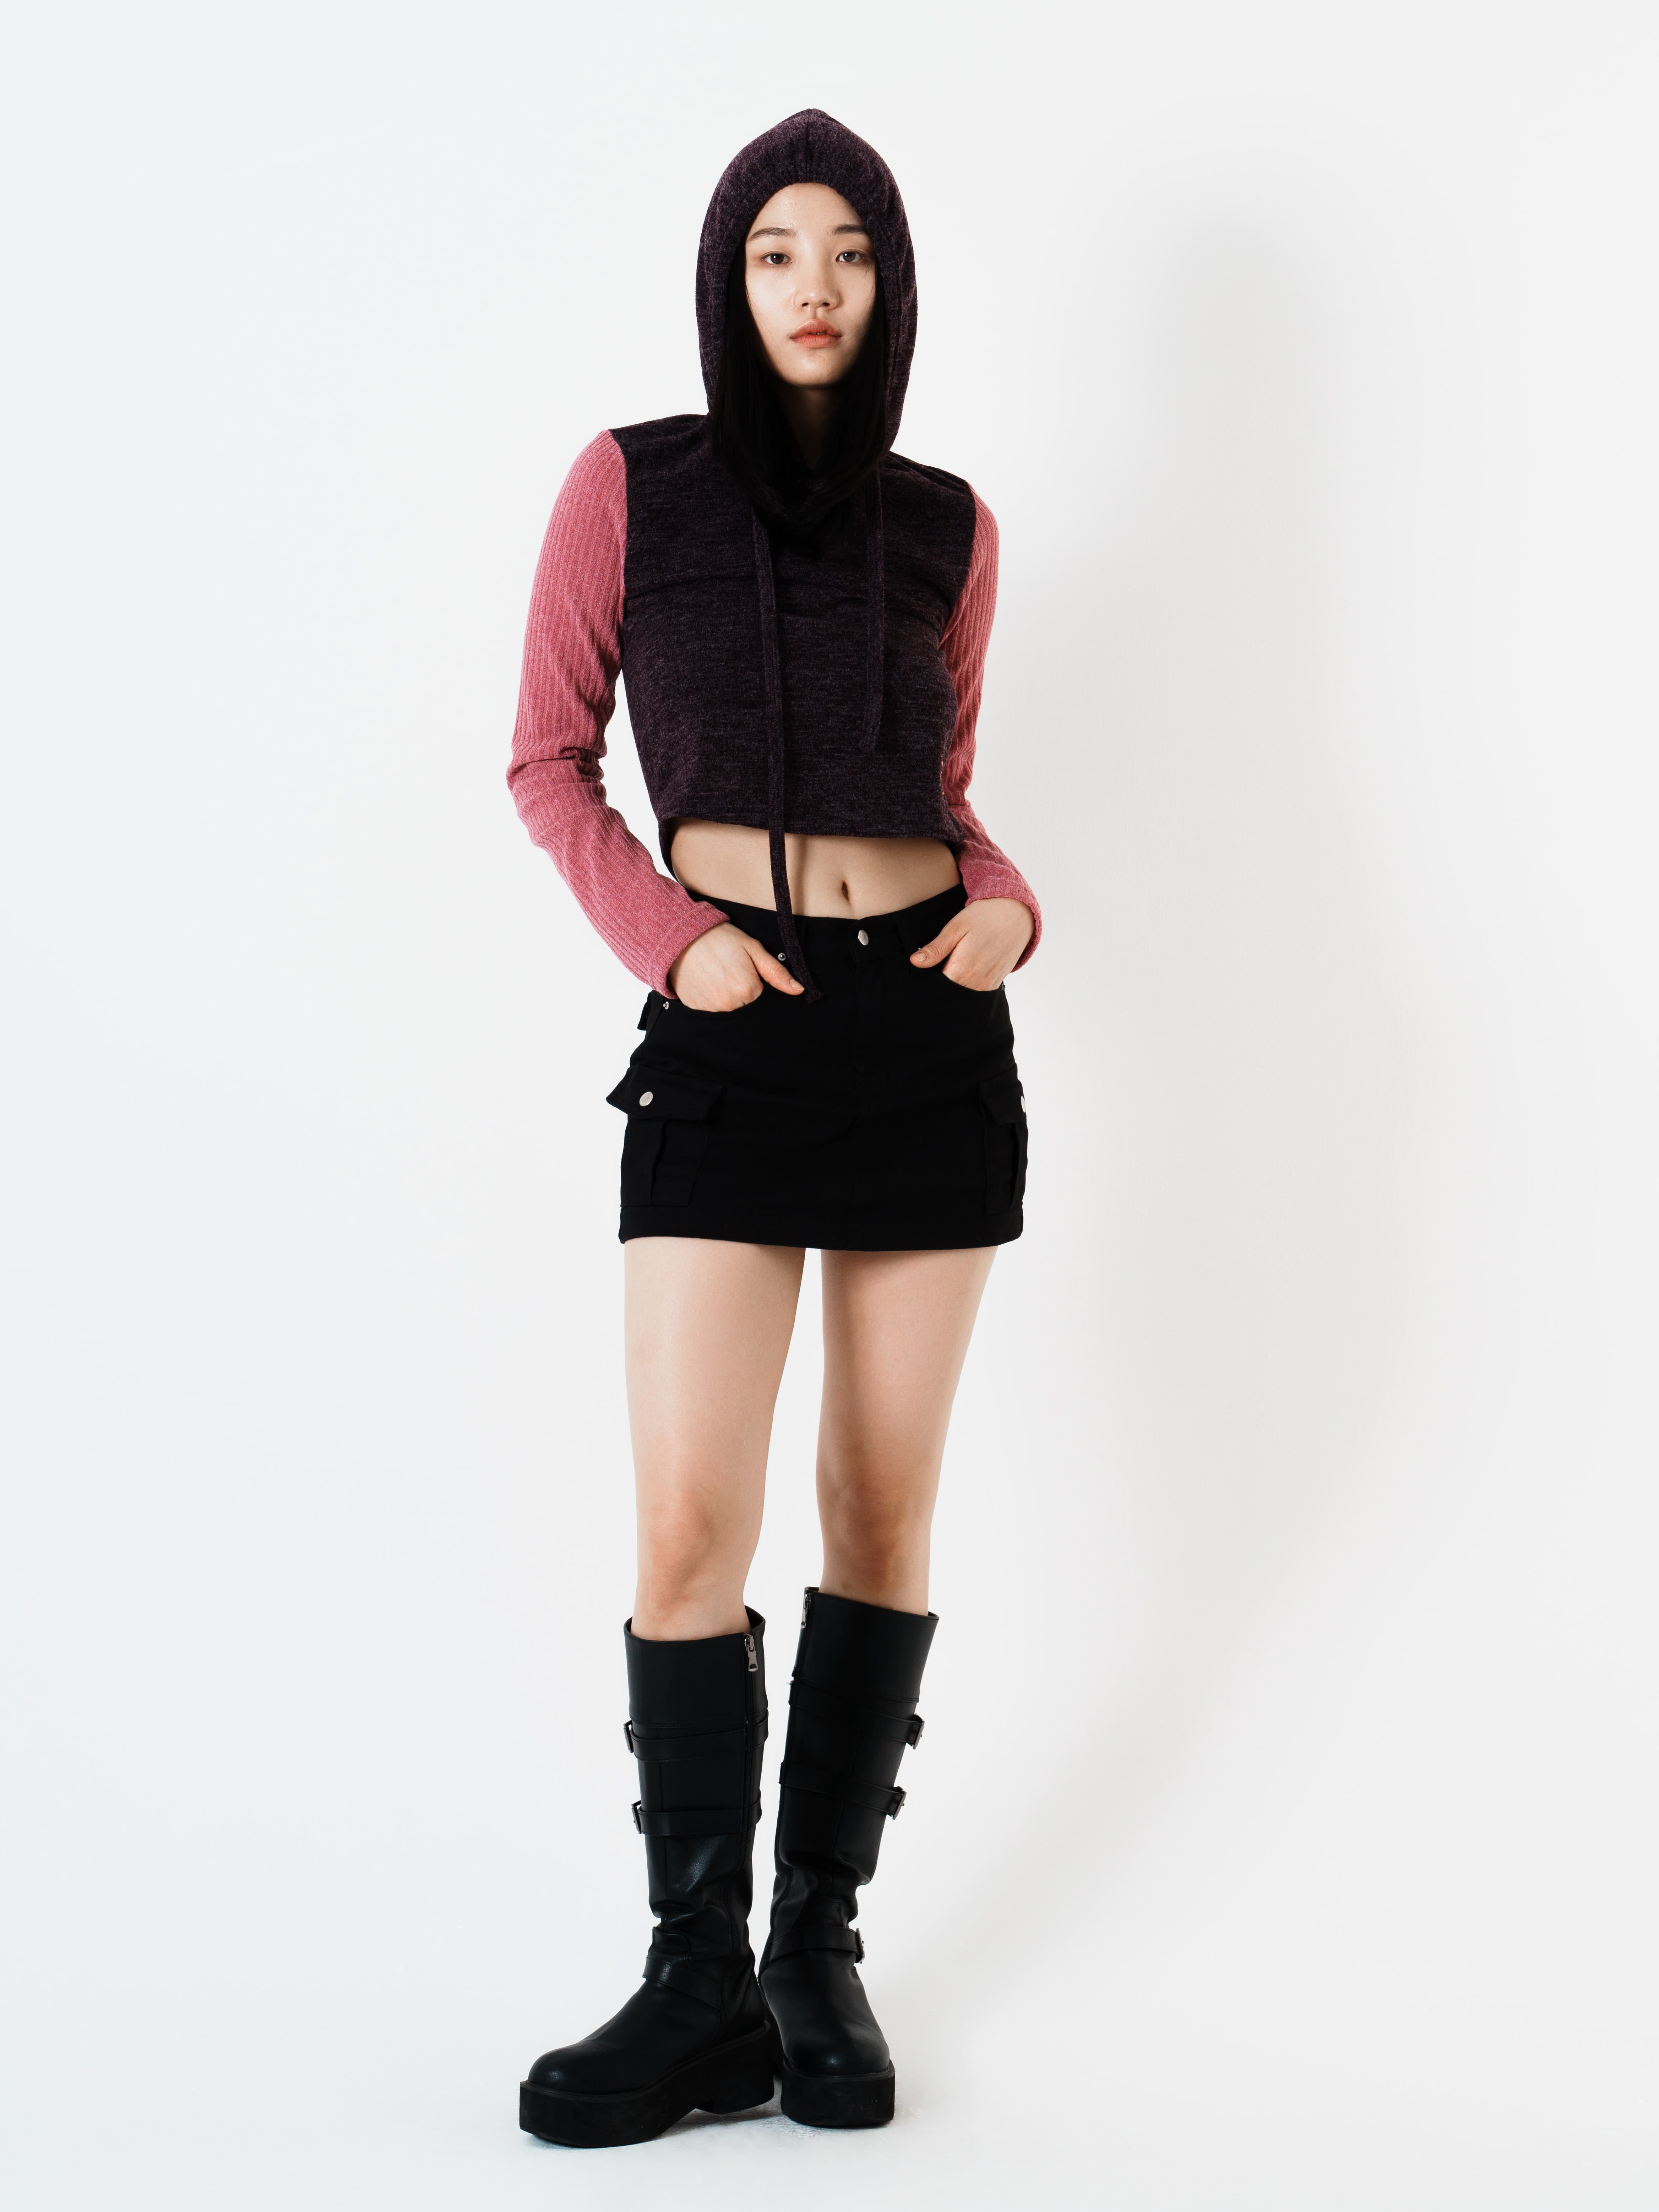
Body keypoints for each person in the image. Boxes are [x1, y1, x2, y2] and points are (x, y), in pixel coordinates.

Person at [507, 109, 1039, 2148]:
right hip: (727, 1034)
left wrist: (1007, 904)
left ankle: (815, 1948)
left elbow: (948, 788)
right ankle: (694, 1979)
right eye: (776, 250)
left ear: (890, 286)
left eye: (852, 252)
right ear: (728, 280)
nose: (815, 284)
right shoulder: (629, 485)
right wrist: (677, 944)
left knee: (881, 1511)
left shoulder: (948, 526)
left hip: (927, 1030)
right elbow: (548, 761)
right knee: (685, 1527)